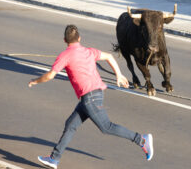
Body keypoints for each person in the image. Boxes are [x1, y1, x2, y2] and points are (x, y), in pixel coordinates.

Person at [28, 24, 153, 169]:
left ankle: (141, 140)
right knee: (71, 125)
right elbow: (109, 56)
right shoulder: (88, 51)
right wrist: (119, 74)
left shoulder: (65, 55)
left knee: (106, 127)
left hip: (90, 97)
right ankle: (54, 159)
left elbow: (50, 75)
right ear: (79, 38)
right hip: (92, 96)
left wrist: (35, 81)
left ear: (64, 40)